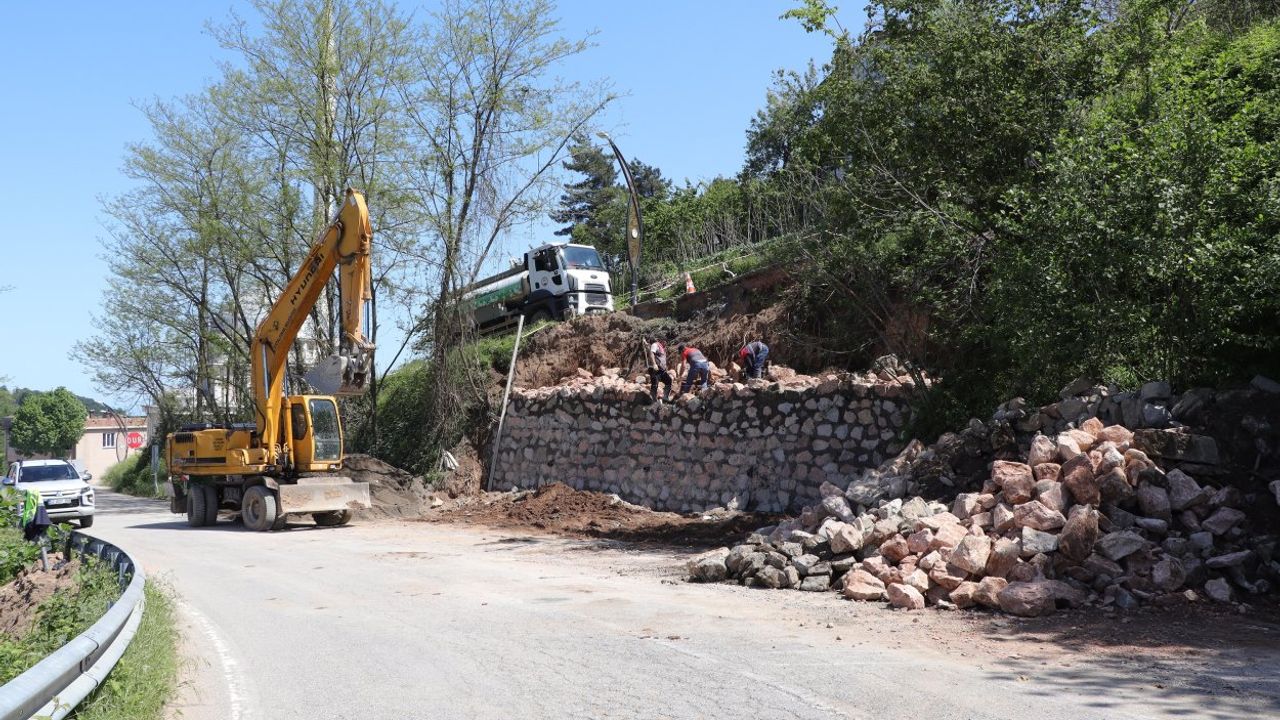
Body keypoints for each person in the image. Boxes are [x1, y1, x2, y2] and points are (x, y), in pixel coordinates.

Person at [644, 336, 673, 403]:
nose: (666, 344)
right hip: (656, 369)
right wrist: (654, 364)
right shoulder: (655, 344)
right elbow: (651, 353)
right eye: (666, 342)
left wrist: (665, 368)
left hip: (662, 370)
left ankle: (665, 397)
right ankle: (652, 400)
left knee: (669, 381)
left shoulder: (662, 348)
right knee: (655, 384)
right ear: (663, 341)